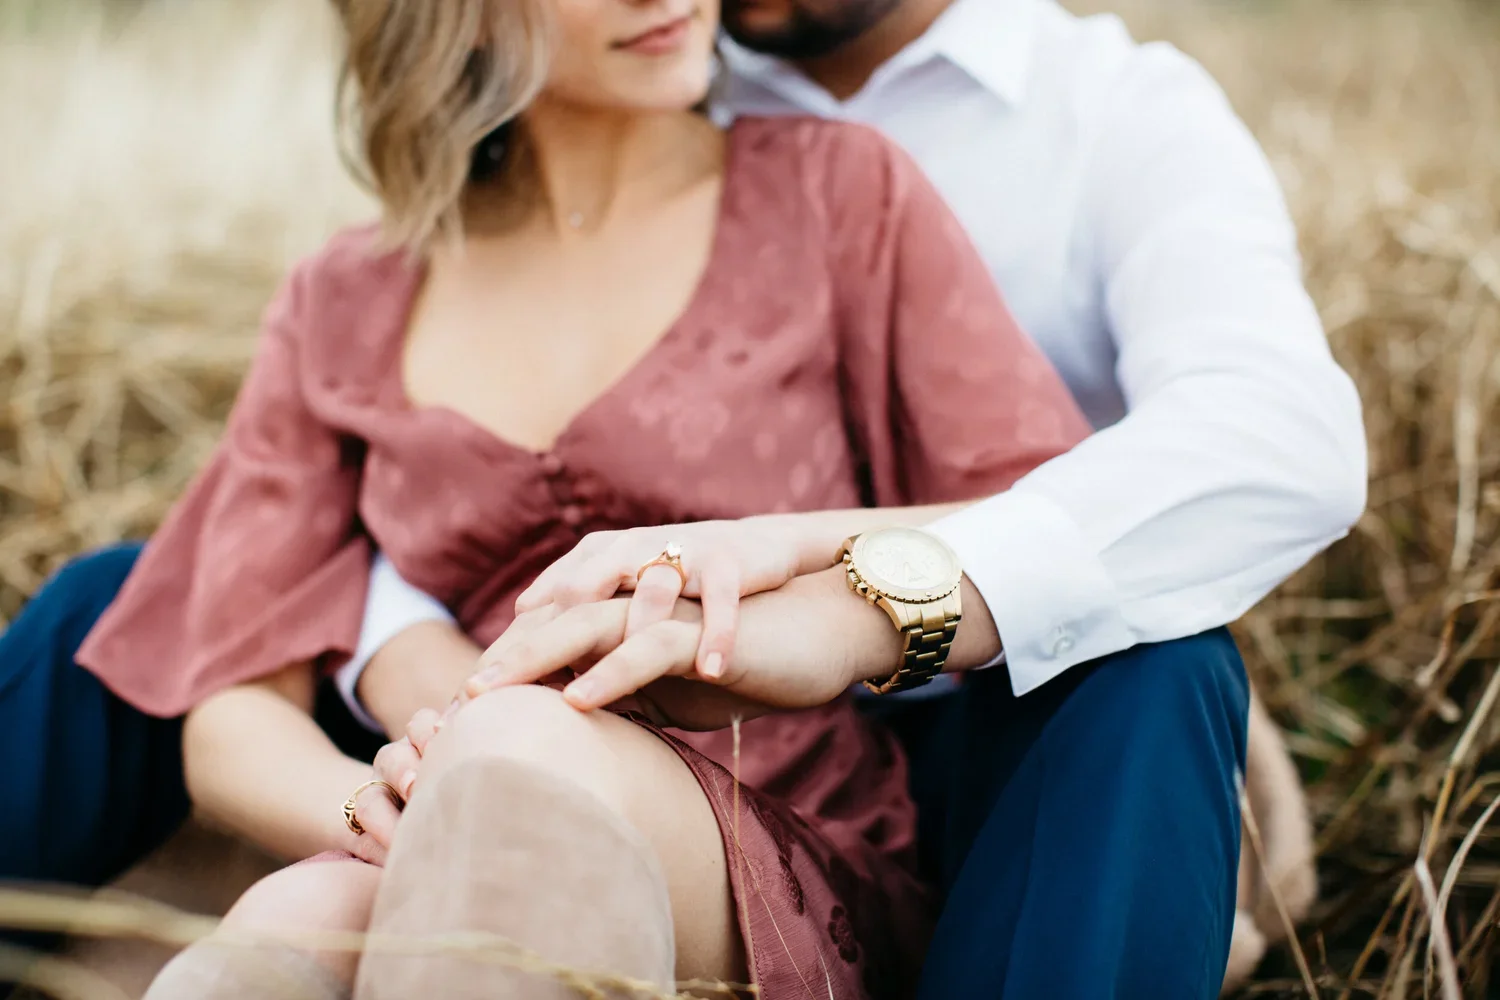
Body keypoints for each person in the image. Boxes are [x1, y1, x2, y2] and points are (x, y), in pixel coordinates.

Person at [0, 0, 1365, 997]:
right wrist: (401, 746)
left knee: (1161, 672)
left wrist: (822, 592)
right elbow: (249, 659)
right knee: (266, 933)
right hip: (478, 751)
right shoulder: (346, 292)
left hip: (870, 773)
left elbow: (1131, 491)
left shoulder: (897, 173)